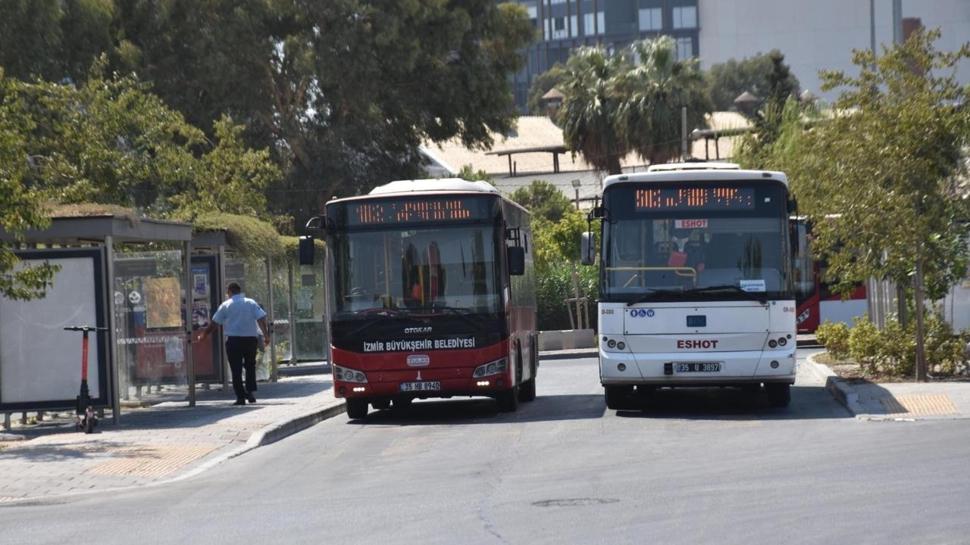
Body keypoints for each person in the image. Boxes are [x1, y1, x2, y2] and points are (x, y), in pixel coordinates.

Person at [198, 282, 269, 405]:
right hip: (250, 339)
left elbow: (215, 323)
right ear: (240, 291)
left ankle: (240, 397)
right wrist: (266, 335)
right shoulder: (251, 303)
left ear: (229, 292)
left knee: (235, 369)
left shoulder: (226, 305)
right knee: (250, 366)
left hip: (234, 340)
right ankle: (250, 392)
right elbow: (261, 318)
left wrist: (204, 335)